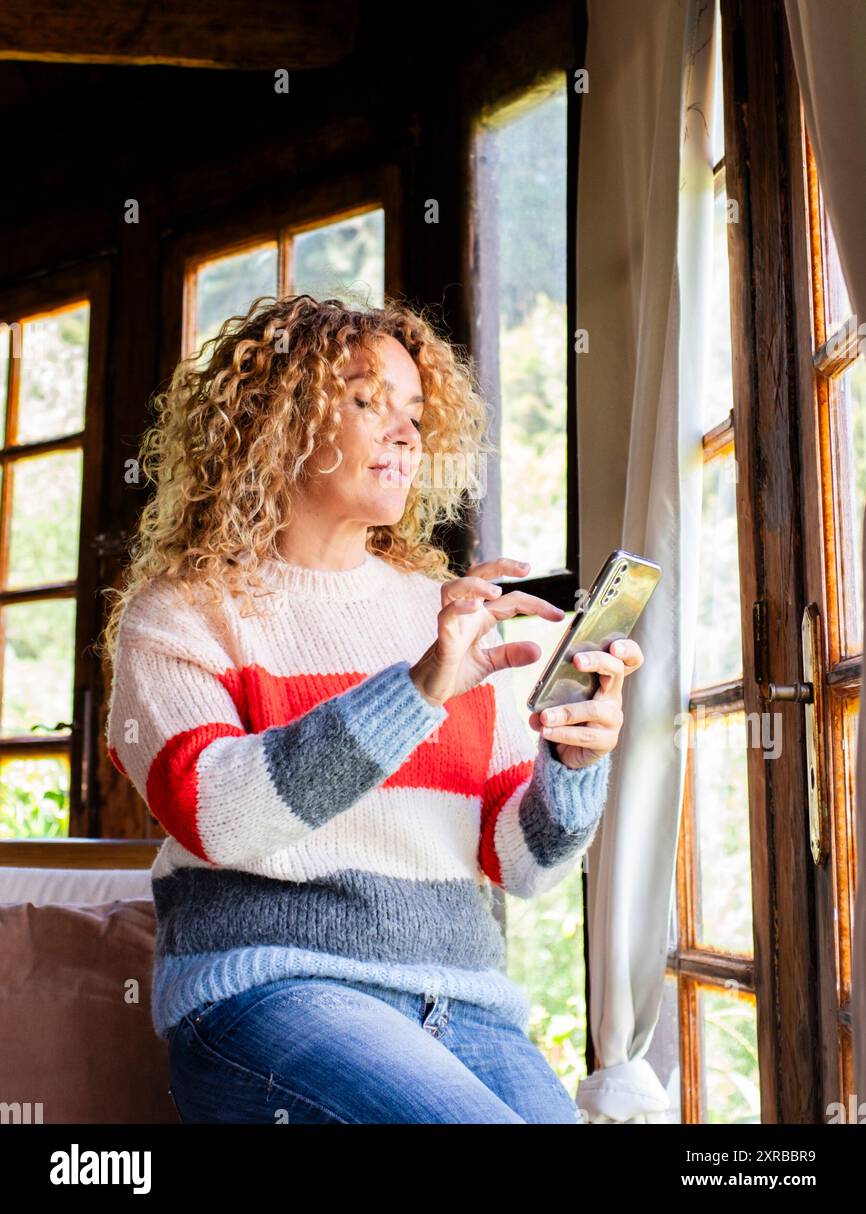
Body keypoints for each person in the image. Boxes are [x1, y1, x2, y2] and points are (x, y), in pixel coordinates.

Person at [100, 292, 644, 1124]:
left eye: (416, 414)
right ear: (274, 420)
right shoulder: (180, 614)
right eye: (366, 402)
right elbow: (217, 813)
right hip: (269, 993)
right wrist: (420, 688)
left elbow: (521, 867)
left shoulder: (447, 612)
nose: (406, 434)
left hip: (464, 1005)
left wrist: (573, 767)